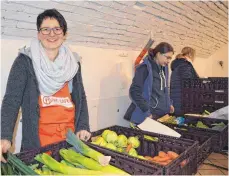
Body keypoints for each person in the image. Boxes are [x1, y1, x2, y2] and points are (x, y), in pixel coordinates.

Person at [1, 9, 91, 162]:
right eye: (45, 29)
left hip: (69, 141)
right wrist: (4, 136)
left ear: (64, 34)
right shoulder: (24, 62)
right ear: (38, 34)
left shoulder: (73, 63)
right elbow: (11, 100)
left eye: (57, 29)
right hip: (39, 144)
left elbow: (80, 96)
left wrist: (83, 126)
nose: (51, 34)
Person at [124, 42, 175, 124]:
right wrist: (146, 112)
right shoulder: (144, 68)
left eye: (170, 58)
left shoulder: (164, 68)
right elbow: (134, 92)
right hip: (147, 116)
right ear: (158, 54)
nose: (169, 61)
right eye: (167, 57)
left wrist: (169, 103)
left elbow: (164, 89)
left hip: (160, 116)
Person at [170, 47, 199, 115]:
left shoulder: (178, 65)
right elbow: (189, 84)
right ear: (190, 54)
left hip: (177, 100)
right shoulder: (185, 65)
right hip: (183, 102)